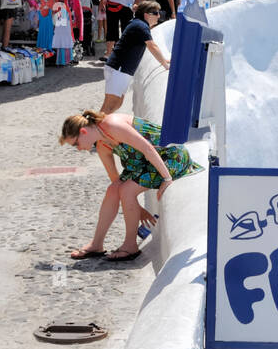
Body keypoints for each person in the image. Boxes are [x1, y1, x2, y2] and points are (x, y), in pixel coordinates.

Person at [59, 109, 201, 261]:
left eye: (76, 144)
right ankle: (96, 244)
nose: (79, 149)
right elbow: (115, 181)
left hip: (169, 156)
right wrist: (138, 209)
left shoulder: (112, 125)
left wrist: (167, 178)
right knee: (113, 190)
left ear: (83, 132)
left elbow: (148, 148)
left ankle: (130, 246)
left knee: (127, 190)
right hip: (144, 164)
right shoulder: (102, 144)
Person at [102, 1, 169, 115]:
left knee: (117, 104)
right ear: (146, 14)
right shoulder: (141, 26)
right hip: (119, 69)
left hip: (121, 70)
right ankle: (89, 128)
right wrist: (165, 64)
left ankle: (96, 128)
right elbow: (152, 46)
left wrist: (164, 59)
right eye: (156, 13)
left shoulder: (139, 24)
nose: (159, 16)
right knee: (109, 106)